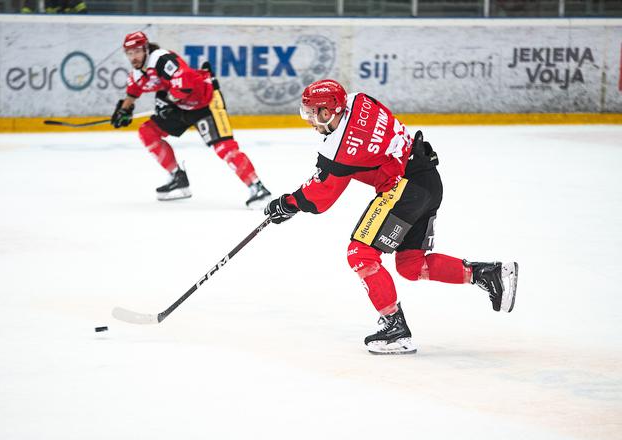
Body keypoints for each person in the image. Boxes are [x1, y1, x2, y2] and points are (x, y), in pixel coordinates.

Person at [264, 79, 519, 355]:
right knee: (412, 265)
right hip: (428, 181)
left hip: (405, 188)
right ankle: (487, 274)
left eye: (315, 113)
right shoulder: (358, 99)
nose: (311, 121)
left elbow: (320, 196)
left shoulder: (339, 147)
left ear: (330, 111)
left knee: (360, 253)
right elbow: (358, 156)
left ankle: (395, 328)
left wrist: (288, 204)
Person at [111, 31, 272, 208]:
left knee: (224, 147)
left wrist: (167, 101)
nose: (134, 57)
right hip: (181, 107)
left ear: (146, 49)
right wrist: (124, 111)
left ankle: (257, 187)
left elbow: (185, 84)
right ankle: (177, 177)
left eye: (137, 51)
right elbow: (132, 93)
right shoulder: (137, 74)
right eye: (130, 53)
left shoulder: (161, 59)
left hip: (205, 102)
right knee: (147, 132)